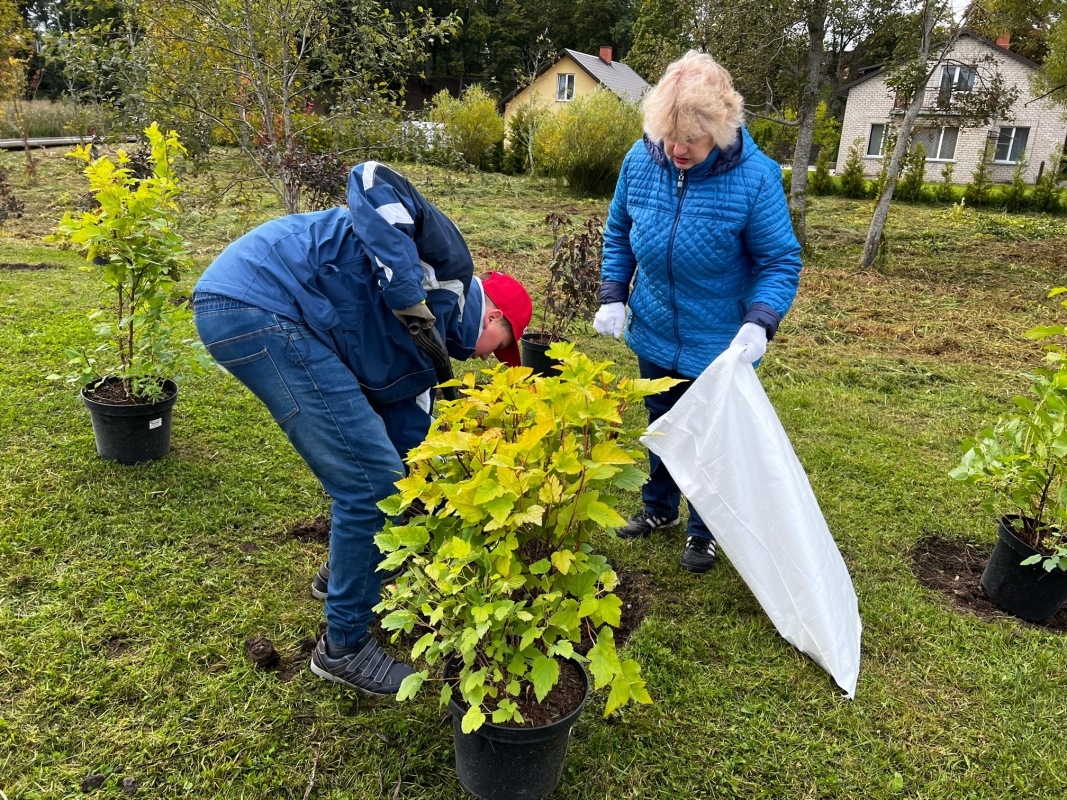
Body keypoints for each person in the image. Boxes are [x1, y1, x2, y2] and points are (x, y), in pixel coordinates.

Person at [192, 161, 532, 696]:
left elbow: (406, 447)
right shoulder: (450, 271)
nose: (493, 360)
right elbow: (372, 179)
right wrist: (405, 297)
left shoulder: (429, 357)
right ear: (493, 318)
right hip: (260, 301)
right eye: (503, 348)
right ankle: (344, 648)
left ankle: (340, 580)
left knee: (377, 474)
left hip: (271, 313)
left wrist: (433, 506)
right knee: (368, 483)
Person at [592, 50, 802, 575]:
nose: (678, 149)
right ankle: (658, 509)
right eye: (670, 136)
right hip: (656, 326)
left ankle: (703, 531)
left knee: (712, 441)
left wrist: (760, 320)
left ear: (722, 129)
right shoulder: (641, 160)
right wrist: (614, 292)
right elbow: (620, 229)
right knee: (663, 426)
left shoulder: (754, 177)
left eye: (693, 138)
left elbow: (779, 259)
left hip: (720, 341)